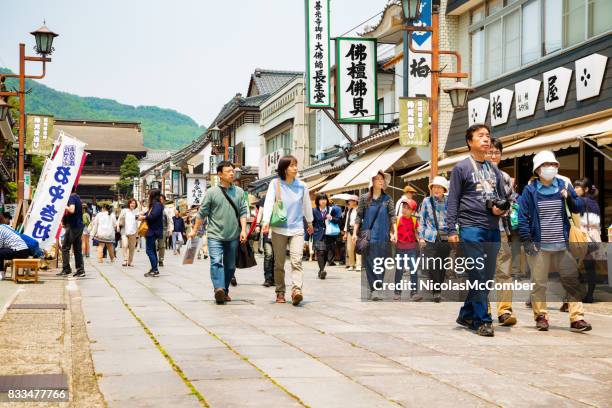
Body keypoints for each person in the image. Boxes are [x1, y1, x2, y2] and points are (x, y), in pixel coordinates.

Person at [518, 150, 591, 332]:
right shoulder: (530, 190)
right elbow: (523, 217)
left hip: (562, 244)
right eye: (546, 165)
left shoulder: (563, 185)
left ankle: (577, 319)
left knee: (572, 281)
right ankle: (541, 316)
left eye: (553, 165)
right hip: (539, 245)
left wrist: (570, 196)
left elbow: (579, 206)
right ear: (537, 170)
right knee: (539, 283)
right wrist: (527, 241)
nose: (550, 168)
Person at [447, 124, 506, 337]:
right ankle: (483, 320)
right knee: (478, 274)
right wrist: (451, 229)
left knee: (487, 276)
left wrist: (501, 208)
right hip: (470, 227)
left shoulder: (494, 169)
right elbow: (452, 200)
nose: (486, 139)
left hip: (492, 227)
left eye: (488, 136)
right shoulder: (461, 168)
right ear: (470, 141)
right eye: (480, 136)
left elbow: (502, 197)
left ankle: (466, 313)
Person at [189, 161, 247, 305]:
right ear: (220, 174)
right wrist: (194, 230)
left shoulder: (239, 192)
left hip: (233, 235)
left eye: (233, 171)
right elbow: (202, 214)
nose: (232, 173)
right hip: (215, 235)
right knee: (215, 261)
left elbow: (243, 212)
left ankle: (224, 290)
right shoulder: (211, 192)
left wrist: (244, 230)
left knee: (230, 266)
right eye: (228, 171)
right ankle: (218, 289)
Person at [262, 156, 314, 305]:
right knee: (279, 263)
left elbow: (306, 205)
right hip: (279, 229)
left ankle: (296, 289)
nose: (295, 168)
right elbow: (269, 202)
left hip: (297, 228)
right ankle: (280, 291)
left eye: (296, 165)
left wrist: (309, 222)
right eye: (292, 166)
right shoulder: (275, 183)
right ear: (284, 168)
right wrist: (266, 221)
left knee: (296, 260)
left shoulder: (302, 186)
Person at [487, 139, 518, 326]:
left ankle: (505, 311)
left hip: (500, 231)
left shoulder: (506, 178)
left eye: (496, 152)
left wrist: (505, 208)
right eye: (490, 152)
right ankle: (484, 309)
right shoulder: (476, 176)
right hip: (481, 232)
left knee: (504, 272)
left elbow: (512, 201)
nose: (493, 155)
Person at [353, 170, 397, 301]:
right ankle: (374, 289)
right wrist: (355, 233)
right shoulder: (364, 198)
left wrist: (395, 232)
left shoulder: (388, 199)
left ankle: (377, 287)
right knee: (369, 263)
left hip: (383, 235)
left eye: (382, 179)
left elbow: (393, 216)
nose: (381, 181)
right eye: (377, 178)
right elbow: (359, 216)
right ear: (372, 181)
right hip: (368, 235)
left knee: (381, 262)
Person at [418, 176, 450, 303]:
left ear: (444, 189)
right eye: (434, 187)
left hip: (445, 237)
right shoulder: (426, 201)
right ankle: (436, 290)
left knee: (442, 265)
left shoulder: (449, 201)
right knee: (432, 265)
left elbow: (454, 218)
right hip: (430, 237)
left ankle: (438, 289)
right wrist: (421, 237)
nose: (436, 189)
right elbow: (422, 220)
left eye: (439, 187)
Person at [573, 178, 601, 303]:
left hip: (582, 236)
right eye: (574, 187)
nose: (575, 189)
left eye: (578, 187)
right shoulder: (594, 202)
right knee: (590, 268)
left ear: (586, 189)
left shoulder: (581, 201)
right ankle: (589, 295)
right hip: (594, 237)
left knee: (572, 265)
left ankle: (575, 294)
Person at [55, 191, 87, 277]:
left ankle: (66, 269)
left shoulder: (71, 197)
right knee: (77, 249)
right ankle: (80, 270)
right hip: (78, 226)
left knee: (65, 247)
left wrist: (63, 206)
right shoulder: (77, 197)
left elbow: (72, 210)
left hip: (73, 226)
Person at [395, 197, 420, 301]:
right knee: (399, 270)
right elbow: (393, 231)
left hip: (412, 249)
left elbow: (416, 233)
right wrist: (392, 236)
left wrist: (420, 239)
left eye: (407, 208)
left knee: (413, 270)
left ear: (413, 211)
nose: (404, 210)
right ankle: (397, 292)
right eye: (403, 207)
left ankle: (414, 292)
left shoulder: (414, 220)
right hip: (400, 249)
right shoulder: (398, 219)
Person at [312, 193, 341, 280]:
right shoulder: (314, 211)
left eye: (324, 199)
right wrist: (308, 235)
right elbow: (311, 223)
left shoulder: (331, 210)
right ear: (318, 201)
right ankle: (322, 270)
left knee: (325, 253)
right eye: (321, 199)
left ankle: (321, 270)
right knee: (320, 252)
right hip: (318, 234)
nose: (323, 201)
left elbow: (339, 221)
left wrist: (331, 218)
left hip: (329, 235)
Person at [139, 189, 164, 277]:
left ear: (152, 195)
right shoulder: (154, 205)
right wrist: (142, 215)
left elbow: (153, 216)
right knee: (152, 250)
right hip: (153, 230)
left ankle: (155, 270)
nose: (148, 196)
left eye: (149, 194)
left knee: (149, 250)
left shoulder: (157, 205)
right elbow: (149, 213)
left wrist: (144, 217)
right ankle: (154, 268)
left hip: (153, 230)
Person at [256, 198, 275, 287]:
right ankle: (268, 278)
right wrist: (257, 224)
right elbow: (260, 212)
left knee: (276, 257)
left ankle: (274, 278)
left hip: (279, 231)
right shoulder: (265, 199)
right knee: (269, 255)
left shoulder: (281, 198)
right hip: (267, 230)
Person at [118, 198, 139, 267]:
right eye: (131, 203)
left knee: (132, 247)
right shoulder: (124, 211)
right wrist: (118, 226)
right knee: (124, 245)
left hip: (133, 231)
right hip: (124, 231)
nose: (132, 204)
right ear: (129, 204)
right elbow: (119, 219)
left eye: (134, 203)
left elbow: (138, 221)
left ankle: (130, 261)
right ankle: (125, 260)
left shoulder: (137, 211)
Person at [343, 195, 360, 272]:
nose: (349, 202)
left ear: (355, 202)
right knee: (349, 248)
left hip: (359, 230)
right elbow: (347, 222)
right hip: (350, 230)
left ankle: (359, 265)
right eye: (349, 201)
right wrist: (345, 233)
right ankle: (351, 264)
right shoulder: (349, 210)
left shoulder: (360, 210)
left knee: (358, 248)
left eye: (350, 201)